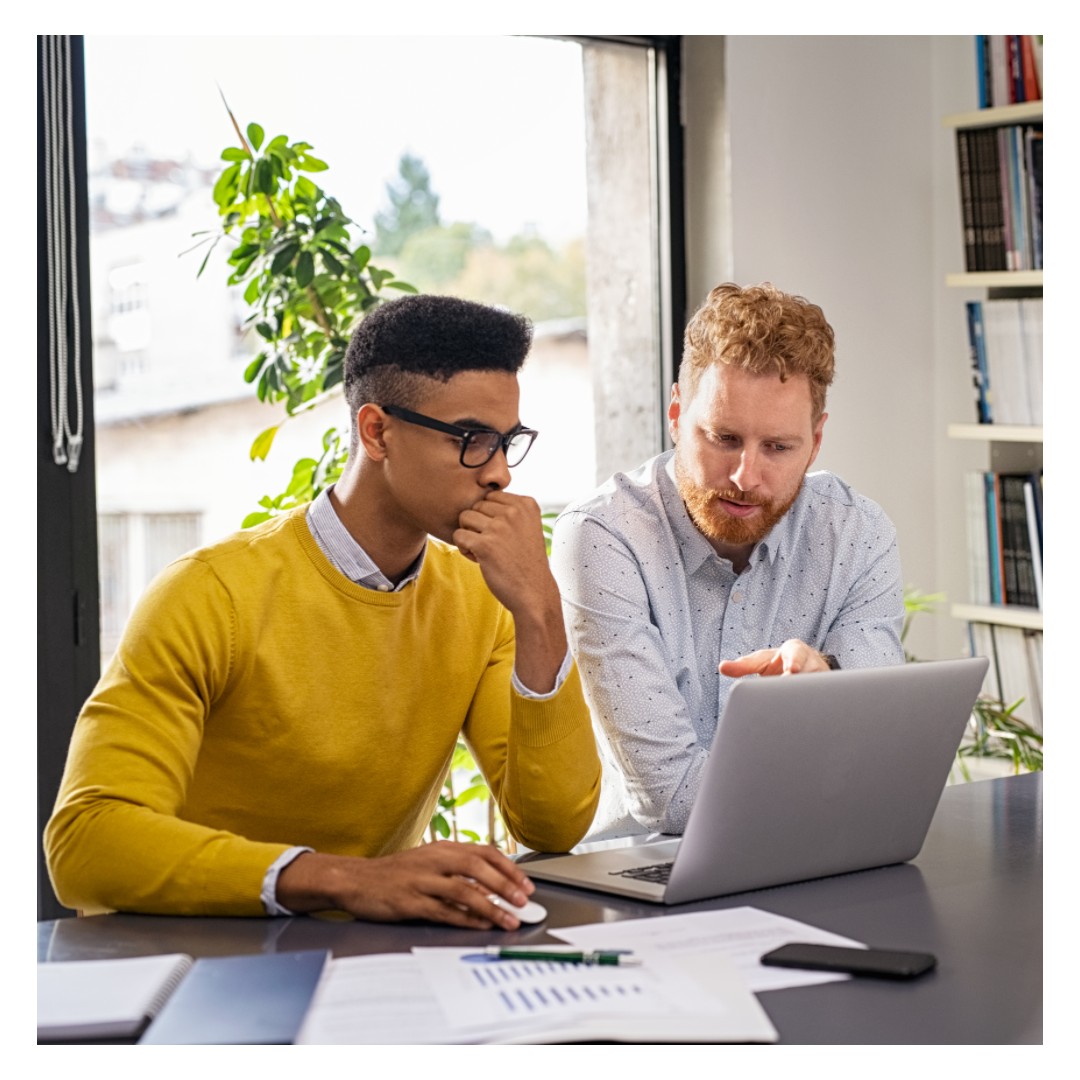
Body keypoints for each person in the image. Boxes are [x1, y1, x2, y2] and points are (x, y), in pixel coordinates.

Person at [46, 294, 601, 929]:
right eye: (473, 440)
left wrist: (541, 614)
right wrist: (344, 879)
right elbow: (87, 842)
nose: (500, 473)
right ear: (377, 431)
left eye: (507, 441)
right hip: (195, 956)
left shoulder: (483, 597)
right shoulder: (208, 595)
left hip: (368, 962)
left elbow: (553, 824)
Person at [550, 282, 904, 840]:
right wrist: (829, 741)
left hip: (805, 861)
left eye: (778, 448)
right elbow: (672, 799)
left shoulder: (858, 535)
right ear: (675, 415)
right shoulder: (602, 536)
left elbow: (881, 752)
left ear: (815, 443)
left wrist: (829, 681)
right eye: (723, 438)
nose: (745, 476)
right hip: (631, 880)